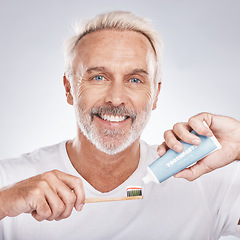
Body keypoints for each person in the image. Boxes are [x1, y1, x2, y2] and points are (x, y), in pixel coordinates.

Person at [0, 10, 239, 240]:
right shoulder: (9, 181)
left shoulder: (207, 182)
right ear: (68, 88)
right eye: (98, 77)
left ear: (155, 95)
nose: (115, 98)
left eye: (135, 79)